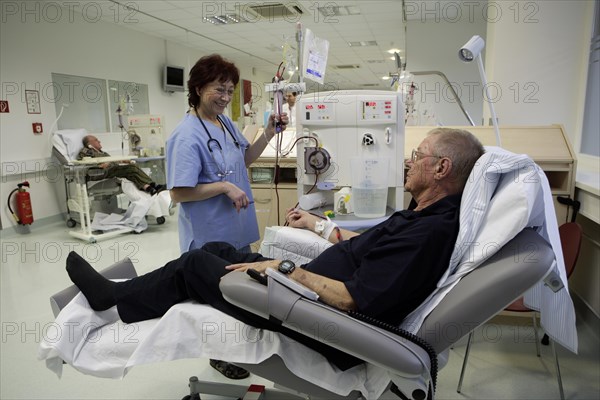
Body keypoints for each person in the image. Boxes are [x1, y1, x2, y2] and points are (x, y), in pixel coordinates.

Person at [65, 127, 484, 370]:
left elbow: (354, 299)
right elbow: (368, 250)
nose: (410, 162)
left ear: (442, 168)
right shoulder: (422, 215)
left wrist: (281, 268)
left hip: (320, 320)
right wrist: (324, 228)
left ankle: (112, 302)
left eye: (418, 156)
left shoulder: (430, 234)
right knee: (216, 247)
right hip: (308, 292)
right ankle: (140, 293)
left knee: (195, 265)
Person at [165, 54, 288, 378]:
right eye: (218, 89)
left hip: (236, 229)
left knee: (240, 296)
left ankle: (241, 348)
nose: (224, 97)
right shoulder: (186, 135)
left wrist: (268, 134)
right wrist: (222, 187)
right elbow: (179, 193)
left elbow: (243, 158)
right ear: (198, 87)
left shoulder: (225, 123)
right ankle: (218, 355)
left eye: (230, 91)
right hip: (209, 235)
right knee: (217, 301)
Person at [77, 135, 164, 196]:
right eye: (96, 140)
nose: (99, 141)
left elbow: (111, 161)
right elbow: (86, 163)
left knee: (131, 173)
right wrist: (99, 164)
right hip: (99, 173)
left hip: (110, 170)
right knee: (132, 168)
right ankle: (153, 184)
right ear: (89, 144)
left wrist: (123, 160)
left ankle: (148, 188)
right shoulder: (86, 151)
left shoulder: (102, 152)